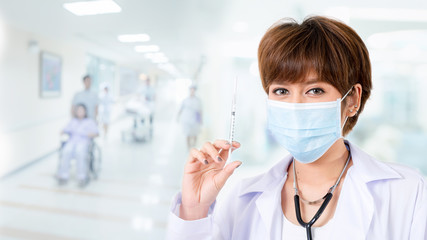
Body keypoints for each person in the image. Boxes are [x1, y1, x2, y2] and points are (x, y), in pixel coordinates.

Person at [166, 16, 427, 239]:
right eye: (281, 90)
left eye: (315, 90)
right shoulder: (240, 198)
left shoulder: (409, 192)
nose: (295, 105)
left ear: (352, 100)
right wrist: (193, 211)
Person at [57, 104, 99, 187]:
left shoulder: (89, 121)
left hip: (83, 142)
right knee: (66, 151)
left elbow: (96, 133)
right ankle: (64, 175)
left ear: (85, 111)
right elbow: (65, 129)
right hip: (72, 141)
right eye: (78, 110)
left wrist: (90, 134)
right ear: (76, 112)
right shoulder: (73, 121)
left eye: (81, 110)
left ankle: (81, 177)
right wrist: (63, 131)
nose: (80, 112)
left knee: (79, 152)